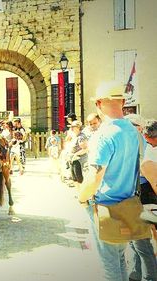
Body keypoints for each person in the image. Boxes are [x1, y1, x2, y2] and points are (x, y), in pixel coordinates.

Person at [78, 81, 144, 281]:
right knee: (120, 259)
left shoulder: (103, 135)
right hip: (128, 204)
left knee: (109, 265)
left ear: (98, 104)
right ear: (123, 101)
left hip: (105, 205)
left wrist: (82, 197)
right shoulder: (134, 131)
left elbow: (95, 176)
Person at [125, 117, 157, 281]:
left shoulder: (145, 143)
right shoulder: (140, 140)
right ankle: (135, 274)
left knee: (140, 240)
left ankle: (148, 276)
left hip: (144, 190)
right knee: (135, 240)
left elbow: (146, 169)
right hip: (135, 191)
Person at [68, 121, 88, 188]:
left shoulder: (81, 137)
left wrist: (75, 155)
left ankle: (83, 195)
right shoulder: (75, 136)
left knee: (79, 178)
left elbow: (85, 149)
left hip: (79, 160)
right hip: (73, 160)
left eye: (73, 127)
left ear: (78, 127)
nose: (71, 128)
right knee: (74, 178)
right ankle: (79, 193)